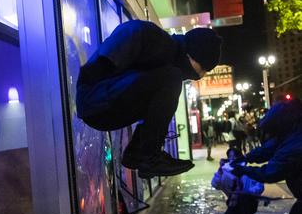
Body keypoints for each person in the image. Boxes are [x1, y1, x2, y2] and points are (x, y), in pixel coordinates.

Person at [76, 20, 222, 178]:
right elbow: (131, 31)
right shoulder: (157, 42)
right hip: (96, 99)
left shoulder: (165, 58)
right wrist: (103, 71)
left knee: (169, 81)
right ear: (192, 55)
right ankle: (149, 157)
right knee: (171, 78)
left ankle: (138, 154)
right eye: (204, 69)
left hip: (100, 102)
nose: (201, 76)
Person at [212, 147, 262, 214]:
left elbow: (260, 186)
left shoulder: (248, 171)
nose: (233, 159)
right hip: (233, 201)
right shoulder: (226, 172)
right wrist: (220, 170)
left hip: (249, 201)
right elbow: (215, 184)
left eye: (235, 156)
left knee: (243, 200)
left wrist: (247, 192)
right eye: (230, 157)